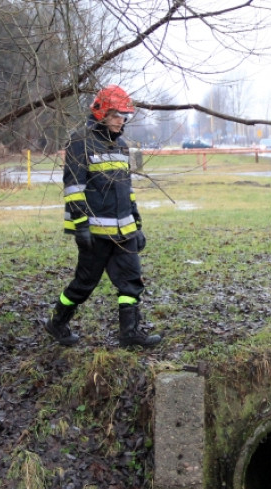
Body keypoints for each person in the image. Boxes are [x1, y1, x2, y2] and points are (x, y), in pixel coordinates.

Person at [44, 85, 161, 349]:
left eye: (125, 115)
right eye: (117, 114)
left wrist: (137, 224)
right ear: (101, 113)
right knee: (84, 284)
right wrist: (81, 226)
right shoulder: (79, 142)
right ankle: (57, 322)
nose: (123, 120)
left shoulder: (120, 146)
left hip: (125, 231)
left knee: (131, 281)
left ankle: (129, 334)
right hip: (95, 232)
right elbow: (74, 188)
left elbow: (126, 189)